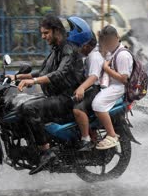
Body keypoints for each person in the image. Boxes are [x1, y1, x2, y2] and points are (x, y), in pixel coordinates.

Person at [8, 15, 93, 175]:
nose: (43, 36)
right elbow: (42, 72)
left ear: (56, 31)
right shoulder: (56, 50)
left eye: (46, 33)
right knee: (20, 104)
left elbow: (60, 74)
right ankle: (33, 146)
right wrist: (16, 77)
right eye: (42, 33)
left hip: (67, 98)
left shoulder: (68, 49)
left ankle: (47, 153)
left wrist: (33, 82)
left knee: (30, 108)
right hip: (55, 96)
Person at [92, 25, 133, 150]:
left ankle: (112, 134)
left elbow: (124, 78)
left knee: (97, 104)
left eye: (110, 41)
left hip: (120, 87)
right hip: (113, 85)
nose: (108, 44)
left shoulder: (122, 55)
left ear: (117, 38)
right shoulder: (113, 52)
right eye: (106, 42)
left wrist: (106, 69)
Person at [73, 32, 104, 151]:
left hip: (94, 89)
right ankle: (92, 134)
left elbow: (94, 77)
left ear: (85, 45)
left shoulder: (94, 56)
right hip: (91, 88)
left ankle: (86, 140)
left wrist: (81, 88)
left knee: (78, 109)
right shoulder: (90, 55)